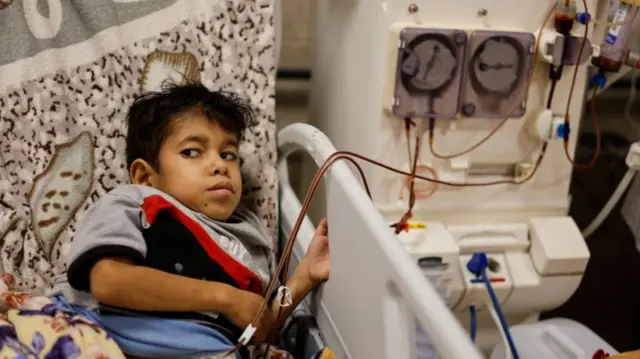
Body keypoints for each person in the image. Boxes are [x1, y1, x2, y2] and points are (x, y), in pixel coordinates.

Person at [59, 82, 330, 359]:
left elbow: (262, 320)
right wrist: (224, 298)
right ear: (145, 176)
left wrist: (302, 278)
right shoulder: (136, 202)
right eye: (191, 152)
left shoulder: (251, 237)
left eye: (228, 154)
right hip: (94, 337)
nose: (219, 165)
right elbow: (109, 282)